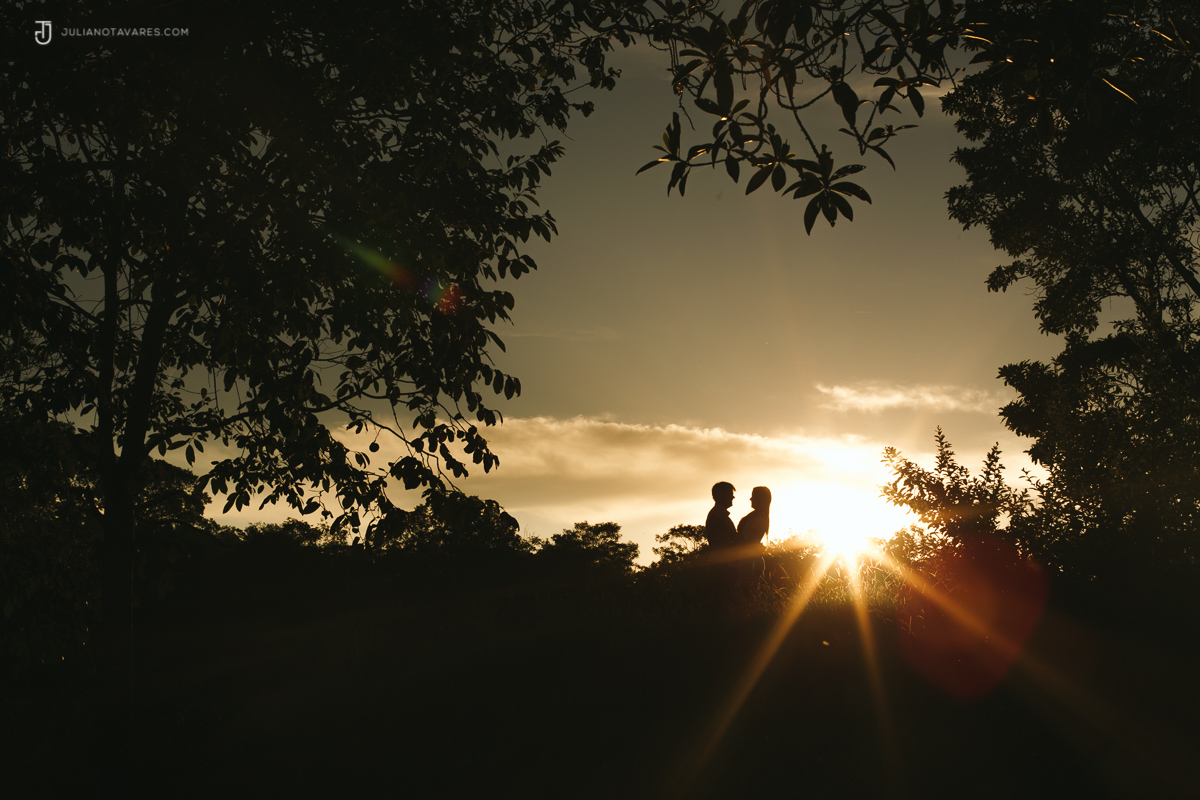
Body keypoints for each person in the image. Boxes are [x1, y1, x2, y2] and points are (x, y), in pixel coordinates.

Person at [704, 481, 738, 550]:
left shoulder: (718, 514)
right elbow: (733, 537)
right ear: (722, 495)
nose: (733, 497)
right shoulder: (718, 515)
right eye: (730, 494)